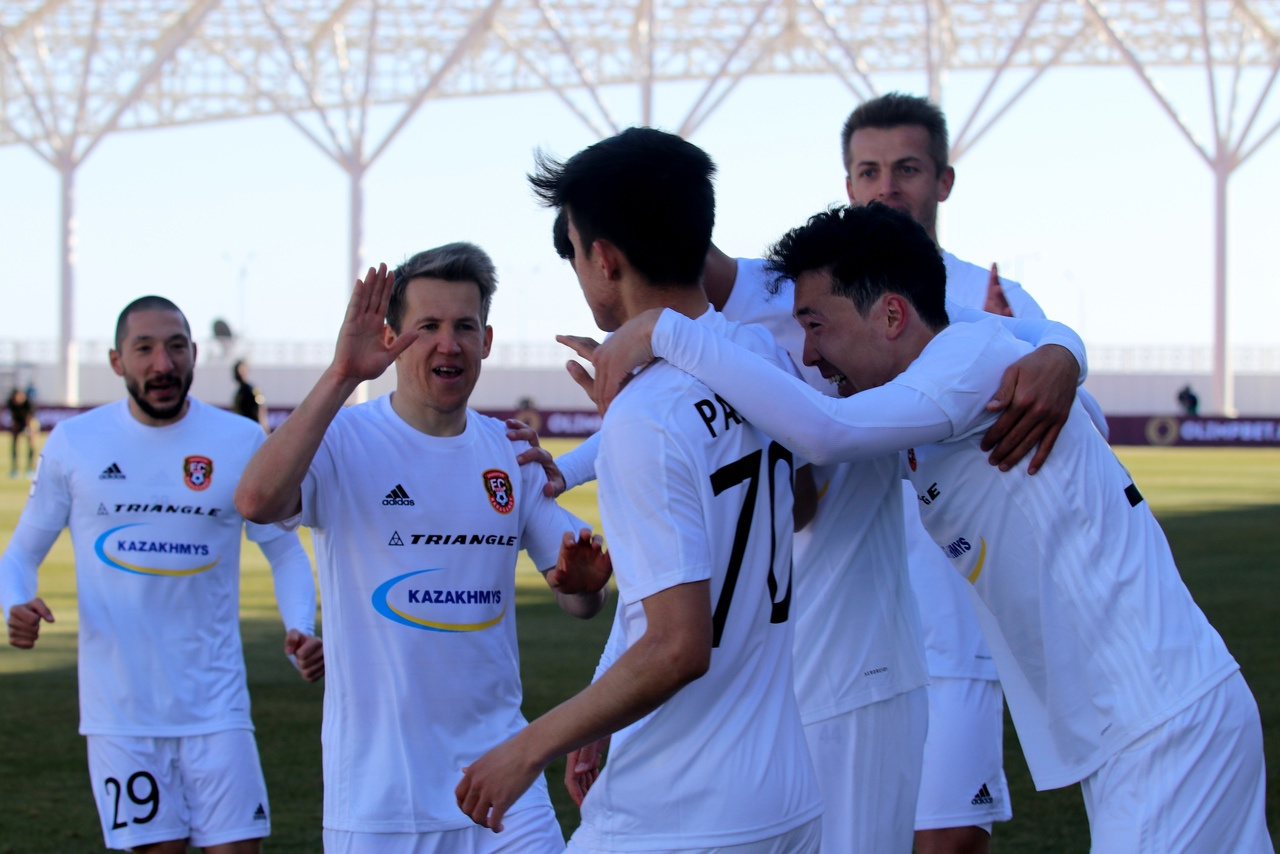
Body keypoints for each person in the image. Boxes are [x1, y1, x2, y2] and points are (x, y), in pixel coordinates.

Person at [582, 203, 1274, 854]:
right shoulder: (952, 364)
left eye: (816, 326)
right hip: (1148, 720)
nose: (810, 356)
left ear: (890, 315)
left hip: (1161, 723)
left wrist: (668, 331)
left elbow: (824, 432)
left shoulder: (966, 364)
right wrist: (567, 469)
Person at [456, 128, 823, 853]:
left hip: (676, 813)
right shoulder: (757, 357)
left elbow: (678, 647)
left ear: (604, 258)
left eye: (572, 250)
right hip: (783, 799)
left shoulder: (646, 418)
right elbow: (802, 503)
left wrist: (528, 746)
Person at [233, 242, 611, 854]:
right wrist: (342, 374)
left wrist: (587, 586)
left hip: (504, 787)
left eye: (465, 326)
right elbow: (256, 500)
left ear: (487, 341)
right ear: (391, 338)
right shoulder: (343, 439)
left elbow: (579, 599)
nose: (448, 344)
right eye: (427, 326)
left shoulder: (510, 451)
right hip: (380, 802)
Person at [0, 295, 324, 854]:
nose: (162, 363)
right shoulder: (75, 443)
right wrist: (16, 602)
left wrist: (301, 625)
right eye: (144, 349)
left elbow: (285, 551)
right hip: (120, 713)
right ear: (116, 360)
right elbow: (21, 554)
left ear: (194, 354)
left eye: (176, 347)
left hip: (217, 706)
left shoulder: (239, 440)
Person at [232, 360, 270, 434]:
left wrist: (264, 430)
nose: (237, 373)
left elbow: (261, 409)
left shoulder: (252, 390)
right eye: (236, 371)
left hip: (252, 430)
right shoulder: (239, 392)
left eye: (240, 370)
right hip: (243, 429)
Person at [6, 386, 36, 477]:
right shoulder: (11, 402)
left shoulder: (28, 403)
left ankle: (30, 468)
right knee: (14, 442)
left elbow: (30, 417)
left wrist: (28, 427)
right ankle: (14, 469)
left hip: (28, 422)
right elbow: (12, 415)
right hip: (17, 422)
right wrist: (15, 424)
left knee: (31, 442)